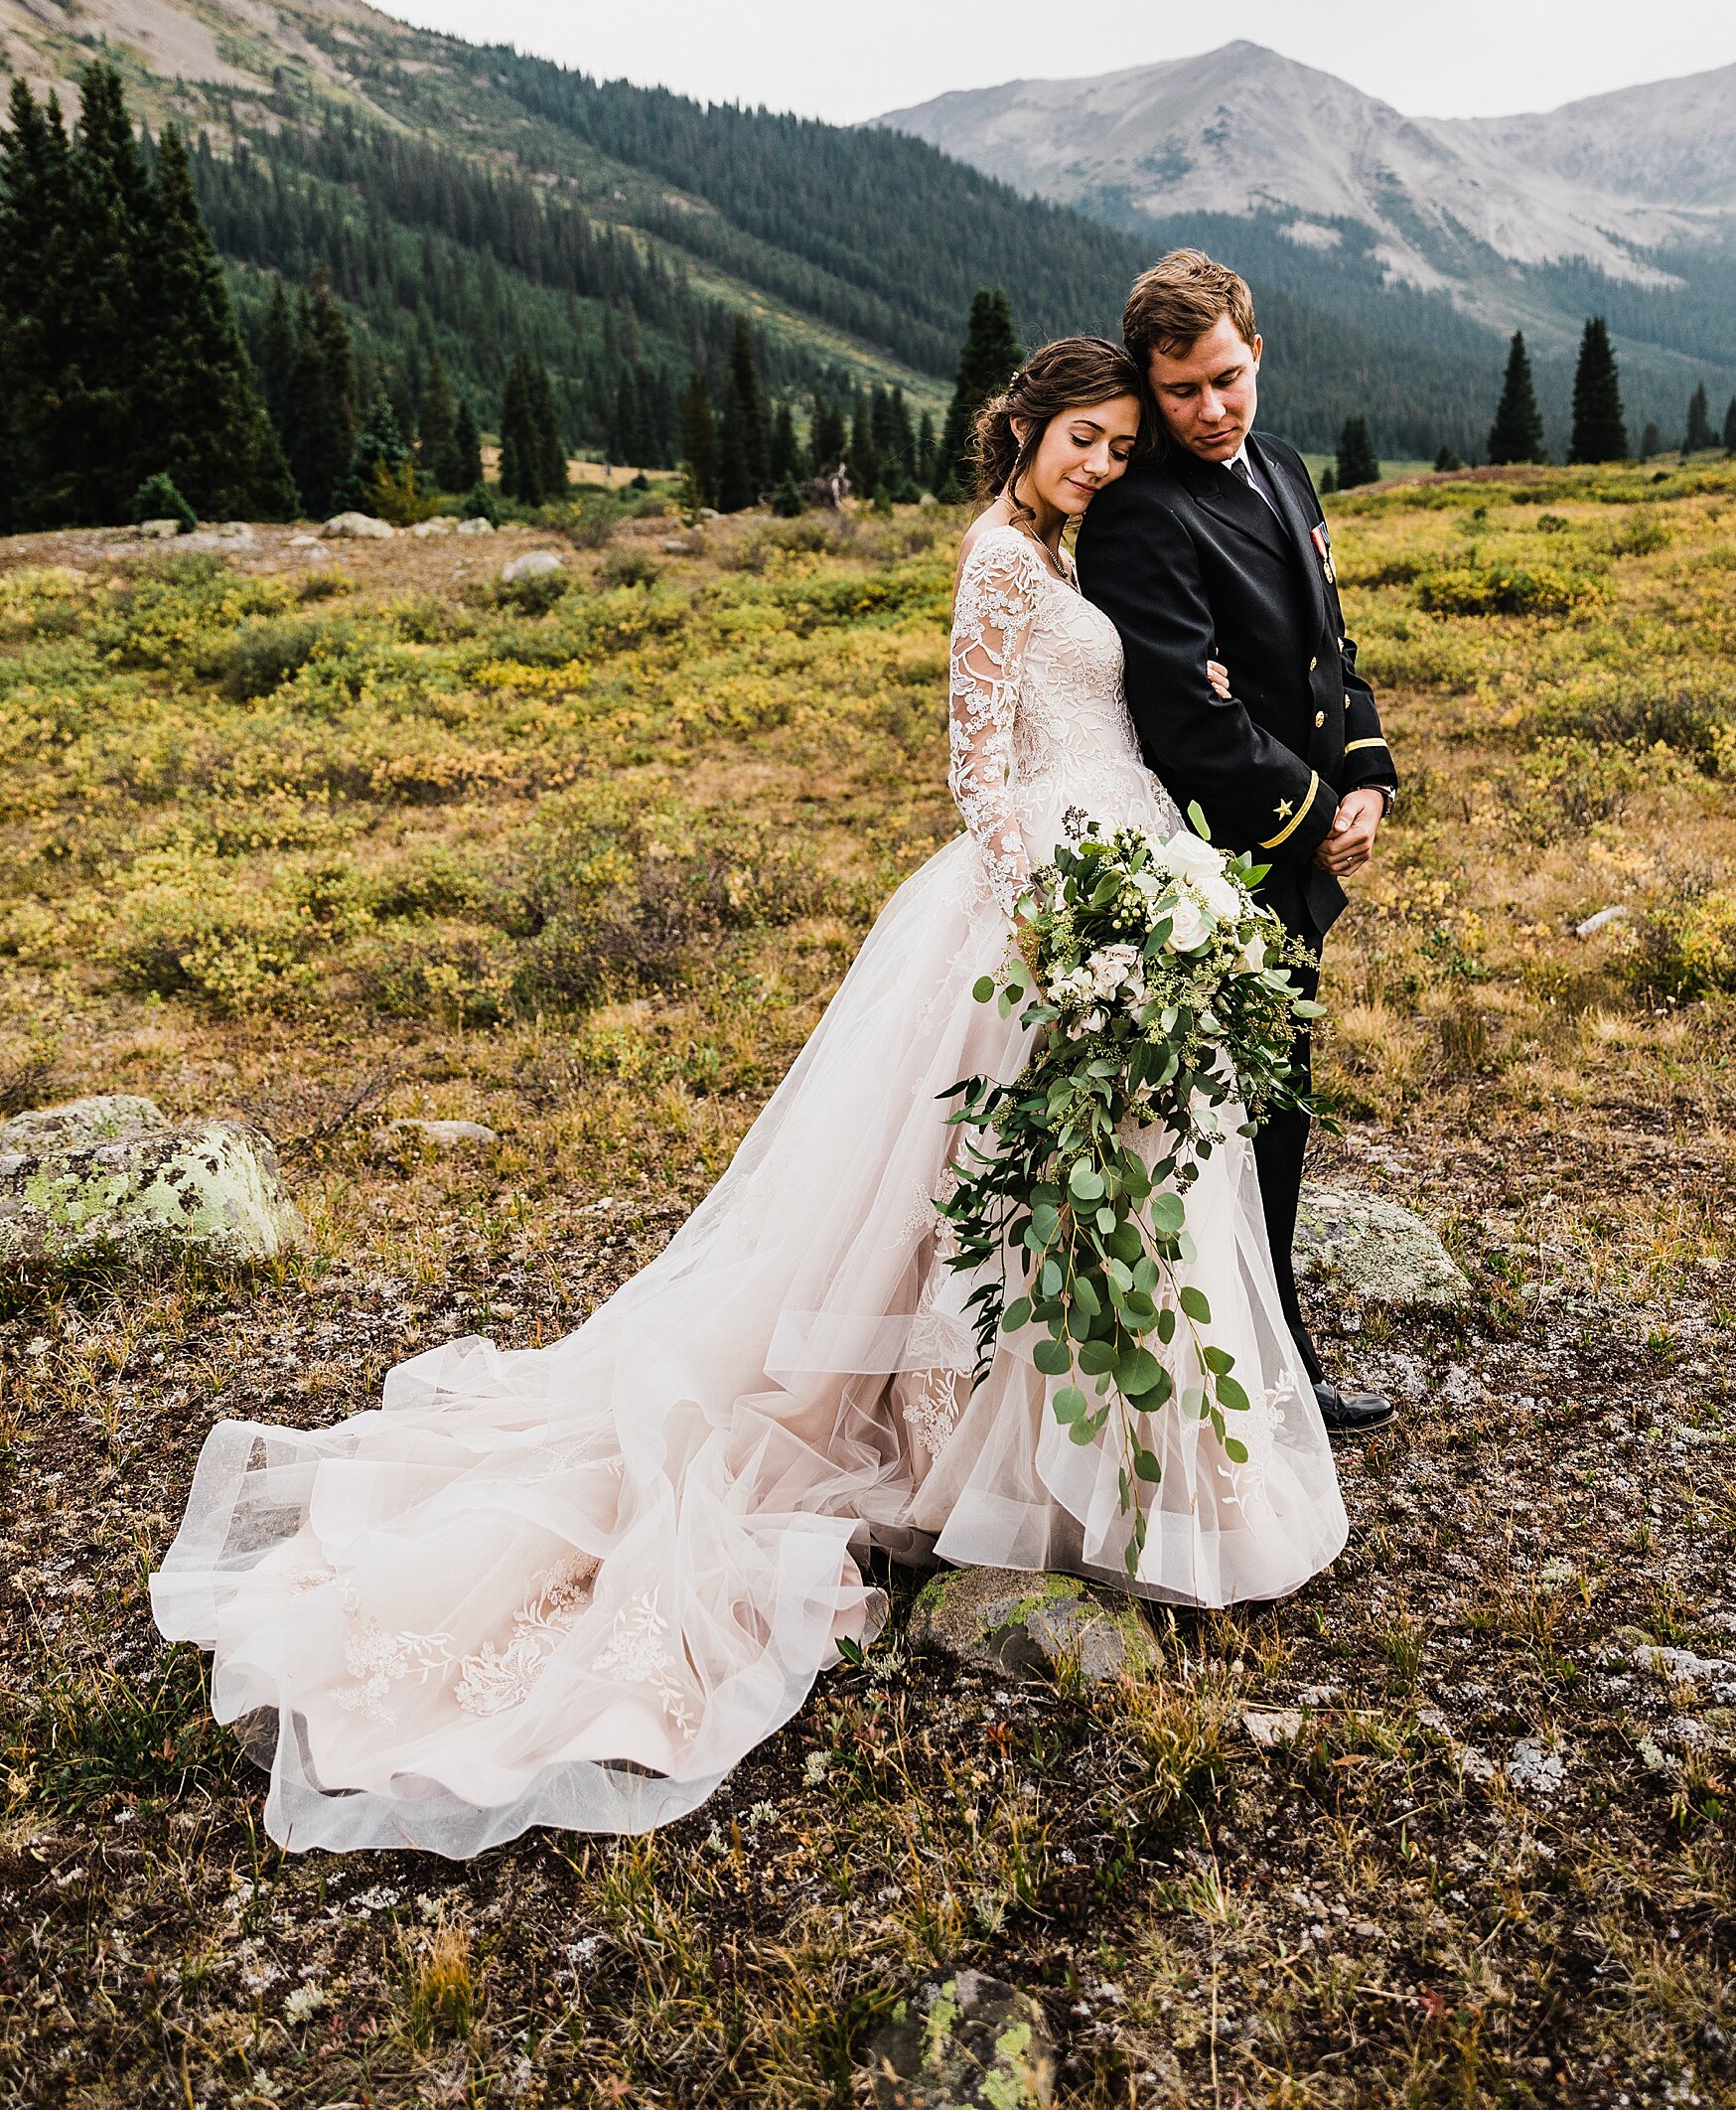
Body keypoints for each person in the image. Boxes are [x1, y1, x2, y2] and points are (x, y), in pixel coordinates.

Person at [150, 336, 1347, 1859]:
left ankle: (1092, 1446)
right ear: (1026, 432)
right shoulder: (996, 562)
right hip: (1044, 893)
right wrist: (1056, 914)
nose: (1105, 463)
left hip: (1120, 864)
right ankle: (1018, 1448)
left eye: (1122, 443)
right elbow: (982, 775)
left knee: (1093, 1169)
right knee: (986, 1176)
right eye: (1086, 439)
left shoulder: (1057, 551)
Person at [1077, 251, 1398, 1433]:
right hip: (1220, 869)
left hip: (1294, 851)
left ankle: (1273, 1353)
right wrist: (1312, 823)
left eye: (1225, 380)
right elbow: (1187, 717)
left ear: (1255, 352)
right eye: (1179, 394)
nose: (1210, 412)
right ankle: (1262, 1376)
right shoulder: (1140, 517)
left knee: (1281, 1118)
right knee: (1230, 1129)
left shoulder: (1283, 464)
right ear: (1147, 387)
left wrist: (1364, 776)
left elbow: (1327, 653)